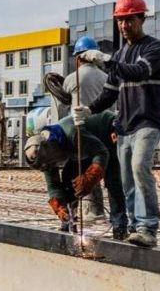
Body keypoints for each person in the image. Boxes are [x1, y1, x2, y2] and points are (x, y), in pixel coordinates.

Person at [73, 0, 160, 248]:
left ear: (141, 19)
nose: (124, 25)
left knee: (139, 167)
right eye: (120, 21)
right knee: (126, 179)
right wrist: (89, 110)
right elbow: (109, 93)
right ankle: (136, 227)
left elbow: (139, 71)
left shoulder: (154, 48)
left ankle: (148, 227)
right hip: (124, 125)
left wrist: (105, 59)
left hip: (148, 122)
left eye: (129, 19)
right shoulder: (121, 53)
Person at [23, 111, 128, 240]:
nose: (51, 167)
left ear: (51, 148)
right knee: (69, 178)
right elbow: (53, 185)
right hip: (85, 148)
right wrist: (59, 206)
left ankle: (119, 227)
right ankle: (69, 220)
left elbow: (102, 153)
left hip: (106, 133)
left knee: (112, 180)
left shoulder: (72, 134)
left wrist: (90, 178)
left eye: (51, 163)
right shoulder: (45, 156)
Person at [63, 36, 110, 223]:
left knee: (74, 171)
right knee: (106, 172)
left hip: (82, 132)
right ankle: (114, 218)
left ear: (78, 58)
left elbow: (61, 106)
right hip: (106, 128)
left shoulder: (72, 78)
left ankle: (73, 214)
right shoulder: (107, 77)